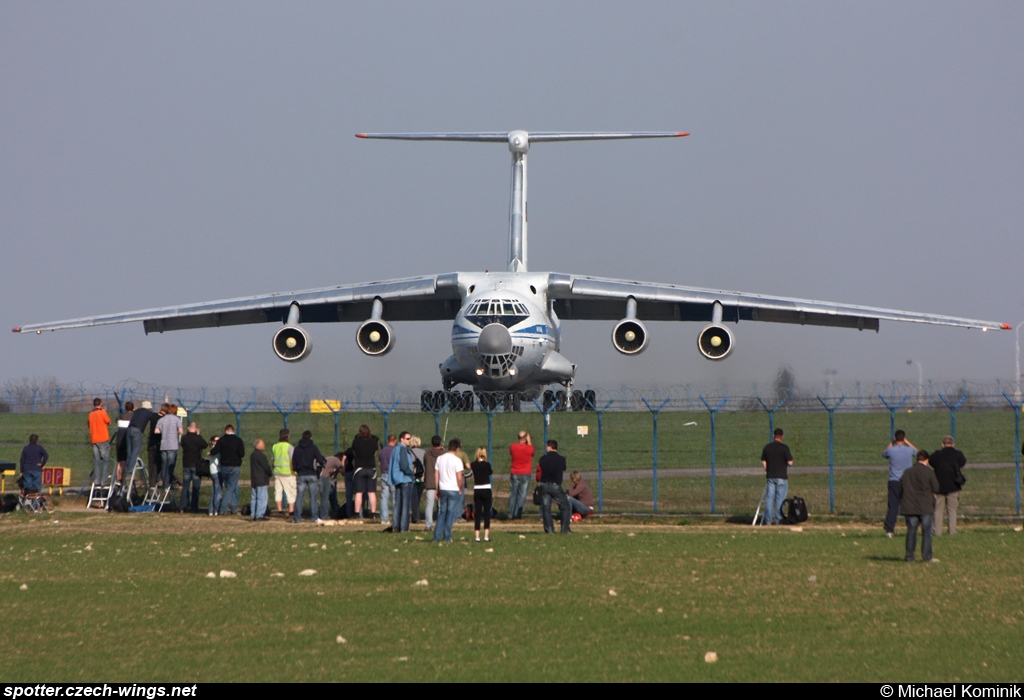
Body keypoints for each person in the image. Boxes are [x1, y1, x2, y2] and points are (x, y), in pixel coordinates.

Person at [901, 450, 940, 563]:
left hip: (910, 506)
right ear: (926, 460)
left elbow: (901, 487)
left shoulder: (907, 472)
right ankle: (927, 556)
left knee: (911, 531)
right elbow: (936, 488)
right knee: (926, 532)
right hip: (925, 506)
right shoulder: (929, 472)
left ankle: (909, 556)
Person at [883, 430, 917, 537]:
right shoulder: (909, 450)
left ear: (895, 438)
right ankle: (911, 526)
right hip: (907, 480)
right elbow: (918, 453)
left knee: (893, 506)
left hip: (894, 480)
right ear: (904, 438)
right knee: (908, 504)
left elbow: (884, 453)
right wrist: (908, 442)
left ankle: (889, 529)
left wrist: (891, 443)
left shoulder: (891, 450)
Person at [930, 436, 967, 536]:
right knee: (952, 510)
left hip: (938, 485)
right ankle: (952, 531)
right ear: (953, 444)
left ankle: (937, 531)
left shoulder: (937, 455)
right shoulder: (957, 454)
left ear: (942, 444)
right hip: (953, 485)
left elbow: (931, 462)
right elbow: (963, 463)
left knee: (937, 510)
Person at [433, 438, 466, 543]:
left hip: (442, 488)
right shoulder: (457, 460)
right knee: (451, 513)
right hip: (453, 488)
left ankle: (436, 536)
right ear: (456, 448)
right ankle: (447, 536)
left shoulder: (440, 458)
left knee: (442, 512)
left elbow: (436, 475)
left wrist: (436, 489)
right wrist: (460, 488)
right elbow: (459, 477)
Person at [536, 439, 571, 534]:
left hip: (544, 485)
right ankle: (564, 529)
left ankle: (549, 530)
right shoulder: (561, 459)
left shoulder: (543, 459)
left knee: (546, 508)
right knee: (565, 506)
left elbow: (540, 468)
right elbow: (563, 467)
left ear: (550, 447)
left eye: (546, 446)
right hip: (556, 485)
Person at [760, 428, 794, 525]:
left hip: (771, 476)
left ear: (773, 436)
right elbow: (790, 462)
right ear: (782, 436)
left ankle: (768, 520)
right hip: (782, 477)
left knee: (769, 498)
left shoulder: (767, 447)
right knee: (780, 499)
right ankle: (779, 520)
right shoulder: (785, 448)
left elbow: (763, 460)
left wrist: (767, 469)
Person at [292, 430, 326, 524]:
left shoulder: (297, 448)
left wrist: (296, 469)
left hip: (301, 474)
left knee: (299, 497)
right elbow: (321, 460)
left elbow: (294, 461)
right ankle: (314, 517)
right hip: (312, 474)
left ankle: (297, 518)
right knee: (313, 497)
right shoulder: (313, 448)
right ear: (310, 437)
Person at [210, 424, 245, 515]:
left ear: (226, 431)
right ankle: (223, 508)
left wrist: (211, 452)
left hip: (224, 466)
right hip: (235, 466)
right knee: (231, 487)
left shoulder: (221, 440)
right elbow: (242, 454)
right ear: (233, 431)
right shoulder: (238, 440)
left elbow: (215, 451)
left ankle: (234, 509)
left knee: (229, 487)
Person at [350, 425, 380, 519]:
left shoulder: (356, 442)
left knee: (359, 492)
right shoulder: (373, 442)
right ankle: (373, 513)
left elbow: (354, 453)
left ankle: (356, 513)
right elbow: (375, 453)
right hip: (371, 467)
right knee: (372, 492)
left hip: (359, 468)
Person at [389, 432, 415, 533]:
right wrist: (411, 474)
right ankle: (404, 528)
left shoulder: (395, 449)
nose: (409, 440)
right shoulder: (403, 449)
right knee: (405, 506)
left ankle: (395, 526)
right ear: (402, 439)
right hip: (405, 479)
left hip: (397, 480)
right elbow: (404, 466)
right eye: (407, 439)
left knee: (397, 504)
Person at [179, 421, 208, 513]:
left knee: (185, 487)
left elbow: (182, 445)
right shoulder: (197, 439)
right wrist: (198, 435)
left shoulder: (184, 438)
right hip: (196, 465)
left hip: (186, 464)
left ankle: (182, 507)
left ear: (188, 428)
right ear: (196, 429)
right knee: (196, 487)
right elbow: (205, 445)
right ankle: (194, 507)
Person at [124, 400, 153, 489]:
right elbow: (154, 420)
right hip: (137, 431)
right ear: (149, 408)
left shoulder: (136, 411)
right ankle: (129, 473)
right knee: (135, 452)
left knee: (129, 451)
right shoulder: (148, 412)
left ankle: (126, 471)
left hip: (129, 430)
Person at [154, 403, 183, 487]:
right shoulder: (177, 420)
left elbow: (156, 431)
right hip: (173, 445)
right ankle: (168, 484)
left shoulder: (161, 420)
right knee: (170, 465)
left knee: (164, 464)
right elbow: (181, 431)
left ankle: (164, 483)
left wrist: (164, 431)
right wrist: (175, 431)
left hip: (164, 445)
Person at [508, 430, 534, 520]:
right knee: (522, 494)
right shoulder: (529, 448)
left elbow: (511, 453)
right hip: (525, 473)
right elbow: (532, 453)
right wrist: (529, 441)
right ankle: (517, 514)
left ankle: (510, 513)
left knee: (513, 493)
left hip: (515, 472)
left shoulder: (513, 446)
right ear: (526, 438)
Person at [272, 429, 296, 519]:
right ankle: (291, 511)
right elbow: (291, 461)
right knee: (291, 492)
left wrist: (274, 468)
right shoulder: (290, 447)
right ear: (288, 436)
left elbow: (272, 460)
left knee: (278, 491)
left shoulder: (275, 446)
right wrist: (293, 471)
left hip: (277, 472)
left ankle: (280, 510)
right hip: (287, 473)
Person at [422, 435, 444, 532]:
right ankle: (440, 525)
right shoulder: (443, 454)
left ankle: (428, 525)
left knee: (429, 505)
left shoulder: (427, 454)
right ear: (440, 443)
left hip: (430, 482)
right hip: (442, 482)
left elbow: (425, 465)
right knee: (441, 505)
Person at [471, 446, 493, 542]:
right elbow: (490, 472)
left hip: (477, 489)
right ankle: (486, 536)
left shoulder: (473, 465)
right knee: (487, 513)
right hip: (486, 489)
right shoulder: (487, 465)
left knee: (478, 513)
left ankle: (477, 536)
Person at [88, 398, 111, 486]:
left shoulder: (90, 414)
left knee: (96, 461)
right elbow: (109, 422)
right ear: (100, 404)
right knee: (105, 460)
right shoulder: (102, 412)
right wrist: (104, 411)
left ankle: (97, 480)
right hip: (103, 438)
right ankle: (103, 481)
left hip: (94, 439)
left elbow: (89, 425)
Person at [249, 438, 273, 521]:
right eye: (263, 444)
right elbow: (266, 467)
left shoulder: (252, 455)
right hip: (261, 479)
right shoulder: (261, 455)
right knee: (262, 498)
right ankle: (260, 515)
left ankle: (253, 515)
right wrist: (270, 473)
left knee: (254, 498)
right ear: (258, 445)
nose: (264, 445)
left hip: (254, 479)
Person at [320, 451, 345, 520]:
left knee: (331, 493)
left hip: (320, 477)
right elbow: (343, 472)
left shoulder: (329, 458)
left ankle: (335, 509)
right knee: (326, 496)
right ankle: (324, 515)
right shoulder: (336, 460)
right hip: (325, 478)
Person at [379, 434, 397, 525]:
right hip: (393, 475)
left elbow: (379, 463)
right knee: (395, 497)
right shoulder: (395, 451)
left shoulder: (382, 451)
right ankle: (395, 518)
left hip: (384, 474)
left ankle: (384, 518)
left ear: (387, 440)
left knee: (384, 497)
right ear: (395, 441)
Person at [409, 435, 426, 524]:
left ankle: (415, 516)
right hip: (421, 478)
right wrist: (424, 476)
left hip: (413, 478)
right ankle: (416, 515)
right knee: (418, 497)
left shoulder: (409, 452)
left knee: (413, 497)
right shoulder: (424, 452)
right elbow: (425, 466)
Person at [206, 435, 222, 516]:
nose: (217, 442)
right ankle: (216, 509)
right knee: (218, 491)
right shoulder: (215, 450)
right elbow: (217, 462)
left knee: (214, 491)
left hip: (213, 471)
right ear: (212, 441)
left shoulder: (213, 449)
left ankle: (211, 510)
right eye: (216, 441)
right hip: (216, 471)